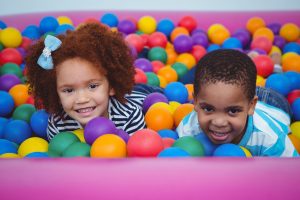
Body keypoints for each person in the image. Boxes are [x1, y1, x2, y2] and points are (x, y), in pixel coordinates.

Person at [25, 22, 161, 141]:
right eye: (69, 90)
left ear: (111, 86)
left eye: (92, 86)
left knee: (156, 95)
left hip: (137, 95)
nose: (82, 99)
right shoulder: (58, 125)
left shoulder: (130, 117)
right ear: (55, 93)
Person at [176, 49, 298, 157]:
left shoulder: (271, 139)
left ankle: (275, 66)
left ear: (251, 106)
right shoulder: (189, 129)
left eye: (233, 111)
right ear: (195, 102)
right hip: (240, 93)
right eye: (208, 109)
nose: (219, 122)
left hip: (272, 103)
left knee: (276, 81)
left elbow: (291, 172)